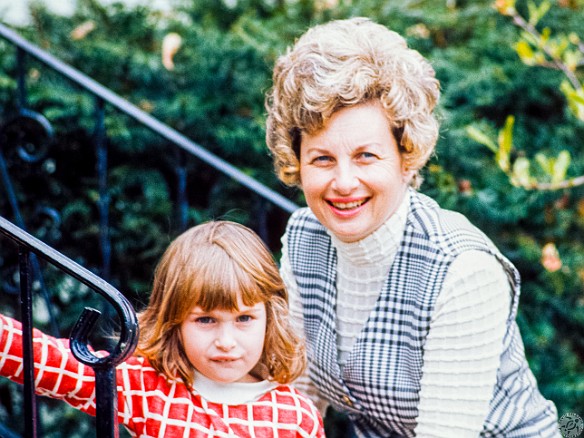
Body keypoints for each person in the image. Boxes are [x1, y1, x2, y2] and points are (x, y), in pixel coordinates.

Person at [265, 17, 560, 437]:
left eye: (366, 156)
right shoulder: (304, 237)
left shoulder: (463, 270)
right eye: (323, 159)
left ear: (406, 157)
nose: (344, 182)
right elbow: (298, 398)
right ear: (297, 161)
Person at [0, 221, 325, 437]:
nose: (226, 342)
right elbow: (48, 362)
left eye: (244, 319)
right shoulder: (150, 388)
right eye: (205, 320)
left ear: (270, 319)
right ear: (175, 323)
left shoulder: (296, 416)